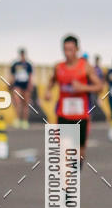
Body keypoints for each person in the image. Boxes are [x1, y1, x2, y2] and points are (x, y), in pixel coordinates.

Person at [44, 35, 103, 165]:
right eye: (65, 50)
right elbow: (52, 81)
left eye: (70, 50)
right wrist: (48, 91)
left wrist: (83, 87)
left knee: (80, 151)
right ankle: (68, 172)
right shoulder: (59, 67)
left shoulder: (85, 67)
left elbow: (99, 87)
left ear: (77, 49)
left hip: (81, 115)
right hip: (63, 114)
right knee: (64, 150)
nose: (68, 53)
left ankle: (76, 167)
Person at [9, 47, 33, 128]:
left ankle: (24, 121)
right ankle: (18, 119)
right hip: (17, 85)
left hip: (25, 85)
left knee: (25, 104)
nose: (22, 56)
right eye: (21, 54)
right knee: (17, 102)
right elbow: (12, 75)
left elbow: (30, 76)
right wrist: (10, 84)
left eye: (23, 54)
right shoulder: (16, 65)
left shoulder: (28, 65)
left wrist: (30, 85)